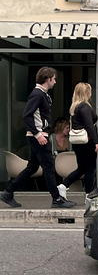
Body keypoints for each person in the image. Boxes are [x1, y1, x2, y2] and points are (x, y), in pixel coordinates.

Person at [0, 67, 76, 208]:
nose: (55, 81)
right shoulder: (38, 94)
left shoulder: (42, 94)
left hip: (39, 135)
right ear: (47, 79)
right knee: (49, 167)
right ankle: (56, 199)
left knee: (33, 167)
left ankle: (8, 192)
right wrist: (38, 134)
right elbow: (27, 115)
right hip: (39, 136)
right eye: (53, 78)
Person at [58, 82, 98, 198]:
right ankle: (89, 195)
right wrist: (96, 142)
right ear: (87, 93)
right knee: (90, 169)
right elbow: (89, 125)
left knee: (82, 168)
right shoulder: (85, 107)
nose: (91, 93)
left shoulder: (75, 107)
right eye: (90, 91)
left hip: (78, 143)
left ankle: (64, 185)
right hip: (87, 142)